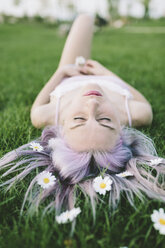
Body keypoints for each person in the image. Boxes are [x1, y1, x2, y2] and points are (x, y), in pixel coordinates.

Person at [0, 14, 165, 222]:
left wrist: (61, 73)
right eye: (105, 120)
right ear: (122, 131)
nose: (92, 103)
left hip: (73, 74)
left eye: (79, 119)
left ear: (62, 126)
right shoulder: (135, 113)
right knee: (87, 17)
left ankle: (77, 23)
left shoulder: (50, 114)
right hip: (104, 78)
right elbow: (143, 102)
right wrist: (105, 72)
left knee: (84, 19)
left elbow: (36, 108)